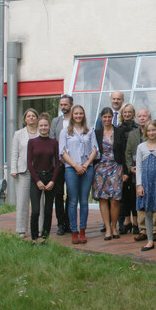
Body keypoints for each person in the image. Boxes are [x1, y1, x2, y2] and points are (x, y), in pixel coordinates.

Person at [59, 104, 98, 244]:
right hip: (71, 169)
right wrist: (75, 165)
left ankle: (83, 230)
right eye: (76, 113)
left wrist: (86, 165)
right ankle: (74, 231)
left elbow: (95, 149)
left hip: (87, 169)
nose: (78, 116)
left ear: (84, 115)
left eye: (81, 113)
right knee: (72, 201)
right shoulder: (65, 132)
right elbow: (62, 152)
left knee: (84, 201)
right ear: (72, 115)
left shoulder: (90, 131)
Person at [27, 113, 61, 243]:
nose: (43, 128)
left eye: (45, 125)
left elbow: (57, 163)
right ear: (38, 126)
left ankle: (45, 236)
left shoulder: (54, 143)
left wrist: (53, 180)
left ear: (49, 126)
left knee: (48, 211)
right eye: (41, 125)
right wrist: (37, 181)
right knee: (35, 211)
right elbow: (29, 164)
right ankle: (35, 237)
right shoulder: (32, 142)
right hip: (37, 178)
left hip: (50, 178)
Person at [136, 121, 156, 251]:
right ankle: (149, 240)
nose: (151, 133)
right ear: (145, 132)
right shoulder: (141, 147)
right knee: (147, 210)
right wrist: (139, 185)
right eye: (148, 131)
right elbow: (139, 167)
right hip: (146, 182)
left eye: (153, 130)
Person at [126, 107, 155, 241]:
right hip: (137, 173)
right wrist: (130, 167)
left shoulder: (155, 132)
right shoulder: (132, 134)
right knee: (141, 200)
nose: (142, 118)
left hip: (153, 173)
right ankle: (143, 229)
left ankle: (155, 230)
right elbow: (127, 153)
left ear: (149, 117)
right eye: (140, 116)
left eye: (144, 116)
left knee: (154, 201)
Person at [92, 108, 122, 240]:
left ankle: (114, 226)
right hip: (101, 168)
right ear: (101, 118)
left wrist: (125, 171)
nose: (107, 119)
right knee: (103, 198)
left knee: (115, 199)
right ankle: (107, 228)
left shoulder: (119, 131)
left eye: (109, 117)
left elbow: (123, 150)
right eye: (105, 117)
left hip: (116, 167)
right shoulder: (96, 133)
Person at [10, 108, 39, 238]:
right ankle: (21, 229)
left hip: (39, 171)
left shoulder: (42, 132)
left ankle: (39, 228)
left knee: (39, 202)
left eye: (33, 116)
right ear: (24, 119)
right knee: (22, 201)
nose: (31, 118)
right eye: (29, 116)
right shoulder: (18, 134)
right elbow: (14, 152)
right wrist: (13, 169)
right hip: (24, 171)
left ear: (37, 118)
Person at [114, 103, 139, 235]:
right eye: (125, 112)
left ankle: (135, 223)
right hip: (123, 167)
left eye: (130, 112)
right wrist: (124, 170)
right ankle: (125, 222)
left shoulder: (138, 128)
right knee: (123, 197)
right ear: (122, 114)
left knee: (134, 196)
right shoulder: (118, 129)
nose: (127, 114)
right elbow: (118, 150)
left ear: (133, 114)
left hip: (135, 166)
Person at [51, 95, 73, 235]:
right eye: (61, 104)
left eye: (65, 104)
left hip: (72, 163)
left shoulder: (76, 120)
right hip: (59, 163)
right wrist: (60, 158)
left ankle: (69, 222)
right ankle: (60, 223)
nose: (63, 107)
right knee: (58, 195)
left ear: (71, 104)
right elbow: (53, 141)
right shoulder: (55, 121)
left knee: (71, 194)